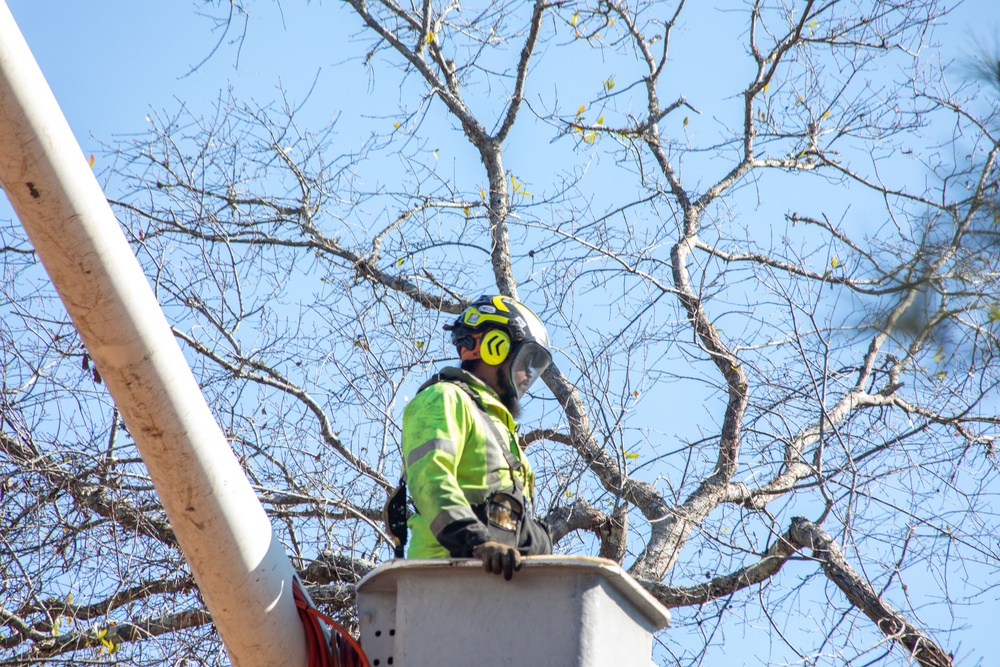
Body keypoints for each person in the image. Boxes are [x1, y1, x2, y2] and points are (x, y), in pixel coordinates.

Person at [399, 294, 554, 580]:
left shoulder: (498, 428)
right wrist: (477, 541)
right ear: (496, 347)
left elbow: (505, 518)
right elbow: (430, 478)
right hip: (444, 578)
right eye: (525, 359)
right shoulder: (444, 398)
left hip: (494, 583)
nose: (528, 373)